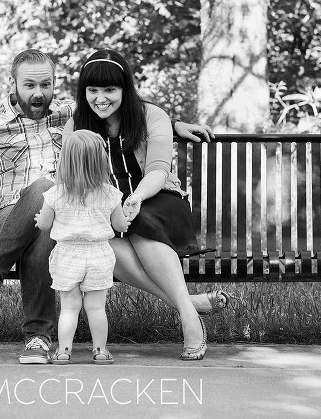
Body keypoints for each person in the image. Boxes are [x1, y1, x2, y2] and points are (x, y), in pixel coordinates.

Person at [0, 49, 219, 365]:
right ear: (12, 83)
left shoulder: (70, 114)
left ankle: (32, 332)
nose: (38, 93)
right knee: (46, 190)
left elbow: (122, 104)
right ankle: (9, 297)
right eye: (29, 85)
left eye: (46, 84)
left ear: (55, 83)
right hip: (9, 216)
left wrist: (174, 123)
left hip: (62, 216)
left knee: (58, 214)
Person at [65, 48, 212, 360]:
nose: (100, 98)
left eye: (110, 89)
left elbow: (158, 170)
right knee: (100, 238)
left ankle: (187, 317)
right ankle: (187, 306)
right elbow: (78, 181)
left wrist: (135, 197)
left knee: (141, 219)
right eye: (93, 90)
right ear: (84, 91)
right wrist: (111, 206)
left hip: (157, 199)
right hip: (105, 210)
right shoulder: (76, 127)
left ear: (124, 89)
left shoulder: (151, 116)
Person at [34, 130, 130, 365]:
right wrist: (125, 219)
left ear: (65, 161)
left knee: (69, 307)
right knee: (96, 307)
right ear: (101, 161)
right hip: (99, 254)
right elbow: (119, 225)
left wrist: (38, 219)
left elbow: (44, 225)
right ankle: (100, 351)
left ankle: (64, 351)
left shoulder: (55, 194)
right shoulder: (110, 193)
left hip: (67, 255)